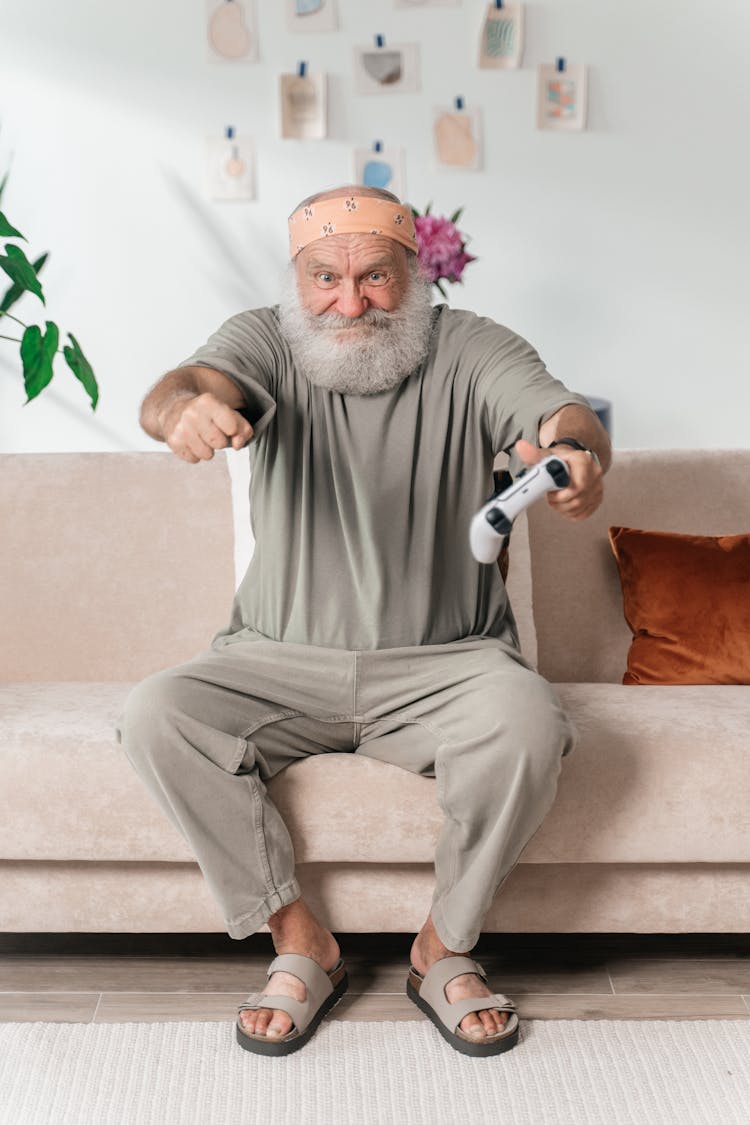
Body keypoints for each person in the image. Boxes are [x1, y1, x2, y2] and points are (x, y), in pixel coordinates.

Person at [116, 184, 612, 1059]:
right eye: (325, 278)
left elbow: (557, 414)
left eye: (376, 276)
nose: (350, 302)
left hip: (448, 662)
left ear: (414, 271)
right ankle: (300, 940)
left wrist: (573, 453)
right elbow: (186, 385)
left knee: (530, 722)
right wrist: (179, 411)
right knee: (157, 712)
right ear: (296, 280)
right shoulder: (267, 339)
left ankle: (442, 947)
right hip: (276, 659)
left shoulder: (470, 346)